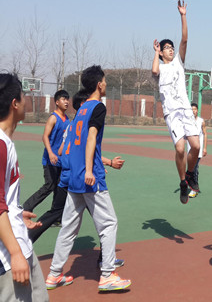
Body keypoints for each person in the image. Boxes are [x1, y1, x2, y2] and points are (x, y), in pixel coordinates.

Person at [46, 65, 131, 292]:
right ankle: (107, 275)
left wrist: (85, 169)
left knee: (68, 229)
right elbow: (91, 137)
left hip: (74, 178)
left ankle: (54, 274)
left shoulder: (81, 110)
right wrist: (90, 170)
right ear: (99, 84)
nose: (106, 84)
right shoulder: (98, 107)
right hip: (89, 179)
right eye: (105, 81)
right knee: (109, 224)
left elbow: (73, 144)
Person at [0, 73, 49, 302]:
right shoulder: (1, 145)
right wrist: (15, 253)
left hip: (18, 244)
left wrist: (17, 215)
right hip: (9, 256)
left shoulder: (6, 143)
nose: (26, 100)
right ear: (15, 103)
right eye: (23, 95)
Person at [152, 0, 200, 204]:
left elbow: (185, 39)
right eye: (166, 48)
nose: (171, 50)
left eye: (172, 47)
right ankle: (182, 182)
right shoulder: (160, 68)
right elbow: (154, 71)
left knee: (196, 146)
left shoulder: (179, 63)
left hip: (186, 110)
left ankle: (190, 174)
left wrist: (183, 15)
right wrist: (155, 53)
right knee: (180, 149)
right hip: (172, 113)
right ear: (161, 52)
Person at [22, 90, 70, 214]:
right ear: (57, 102)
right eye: (63, 99)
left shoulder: (67, 119)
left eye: (67, 99)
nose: (66, 102)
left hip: (61, 160)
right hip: (50, 160)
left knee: (60, 188)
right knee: (49, 186)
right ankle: (26, 207)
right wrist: (50, 153)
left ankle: (55, 215)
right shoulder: (53, 118)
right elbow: (45, 136)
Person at [188, 103, 207, 198]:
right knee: (193, 168)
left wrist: (205, 148)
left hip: (198, 150)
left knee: (194, 168)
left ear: (197, 110)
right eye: (191, 109)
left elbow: (205, 134)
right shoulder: (187, 121)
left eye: (194, 109)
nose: (193, 111)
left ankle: (193, 189)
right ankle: (194, 186)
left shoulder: (201, 121)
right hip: (190, 149)